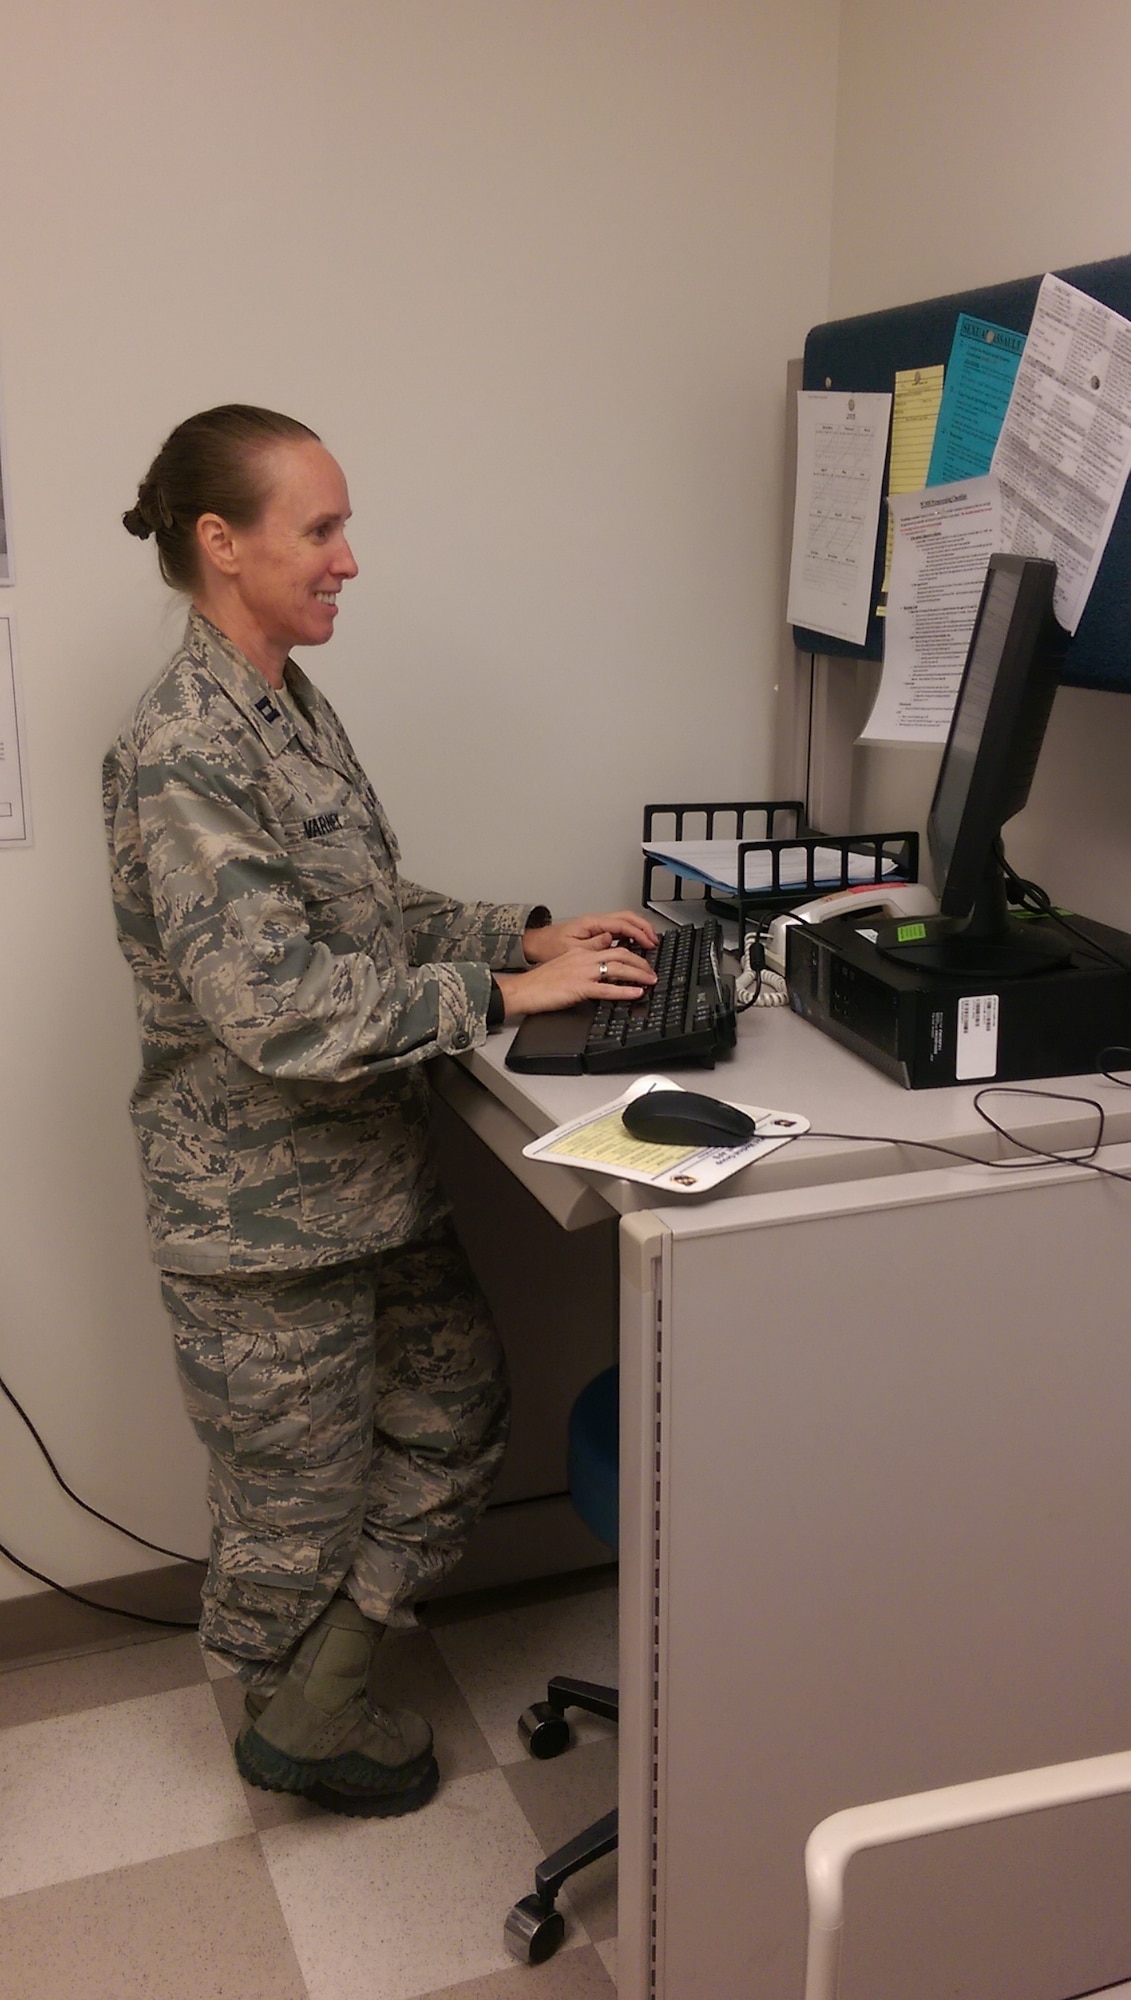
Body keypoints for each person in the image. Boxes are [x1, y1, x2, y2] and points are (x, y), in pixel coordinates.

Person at [103, 404, 657, 1818]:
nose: (351, 560)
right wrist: (499, 996)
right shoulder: (185, 746)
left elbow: (366, 908)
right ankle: (303, 1718)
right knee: (291, 1517)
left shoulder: (285, 699)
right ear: (222, 544)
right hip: (261, 1222)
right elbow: (278, 1003)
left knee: (458, 1413)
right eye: (323, 529)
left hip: (370, 1179)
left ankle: (324, 1692)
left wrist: (520, 934)